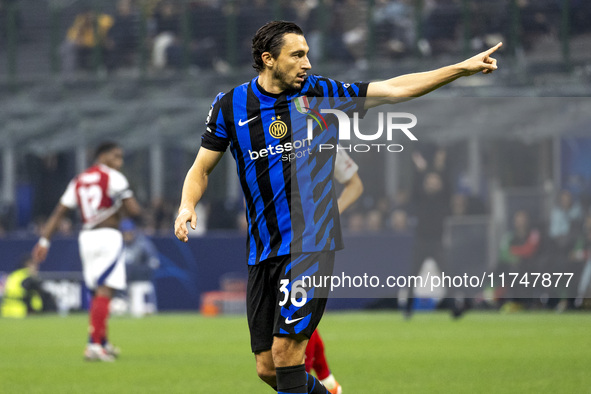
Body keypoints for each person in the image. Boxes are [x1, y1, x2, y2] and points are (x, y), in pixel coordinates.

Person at [174, 20, 500, 393]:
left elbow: (395, 89)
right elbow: (201, 168)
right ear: (268, 59)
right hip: (264, 250)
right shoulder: (230, 105)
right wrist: (186, 205)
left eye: (308, 54)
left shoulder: (322, 94)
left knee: (286, 355)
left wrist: (461, 68)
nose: (307, 63)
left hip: (311, 243)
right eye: (297, 55)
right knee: (267, 368)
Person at [32, 142, 141, 362]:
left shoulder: (79, 179)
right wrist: (119, 212)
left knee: (96, 291)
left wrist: (44, 240)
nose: (119, 162)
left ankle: (102, 341)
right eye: (115, 156)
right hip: (108, 236)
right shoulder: (113, 177)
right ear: (102, 156)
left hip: (86, 237)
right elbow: (134, 210)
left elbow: (59, 212)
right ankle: (93, 346)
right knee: (105, 290)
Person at [304, 149, 363, 394]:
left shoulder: (322, 135)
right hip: (274, 241)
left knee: (296, 317)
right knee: (295, 317)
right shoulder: (264, 133)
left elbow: (355, 185)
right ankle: (326, 381)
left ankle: (304, 380)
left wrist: (329, 215)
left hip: (310, 244)